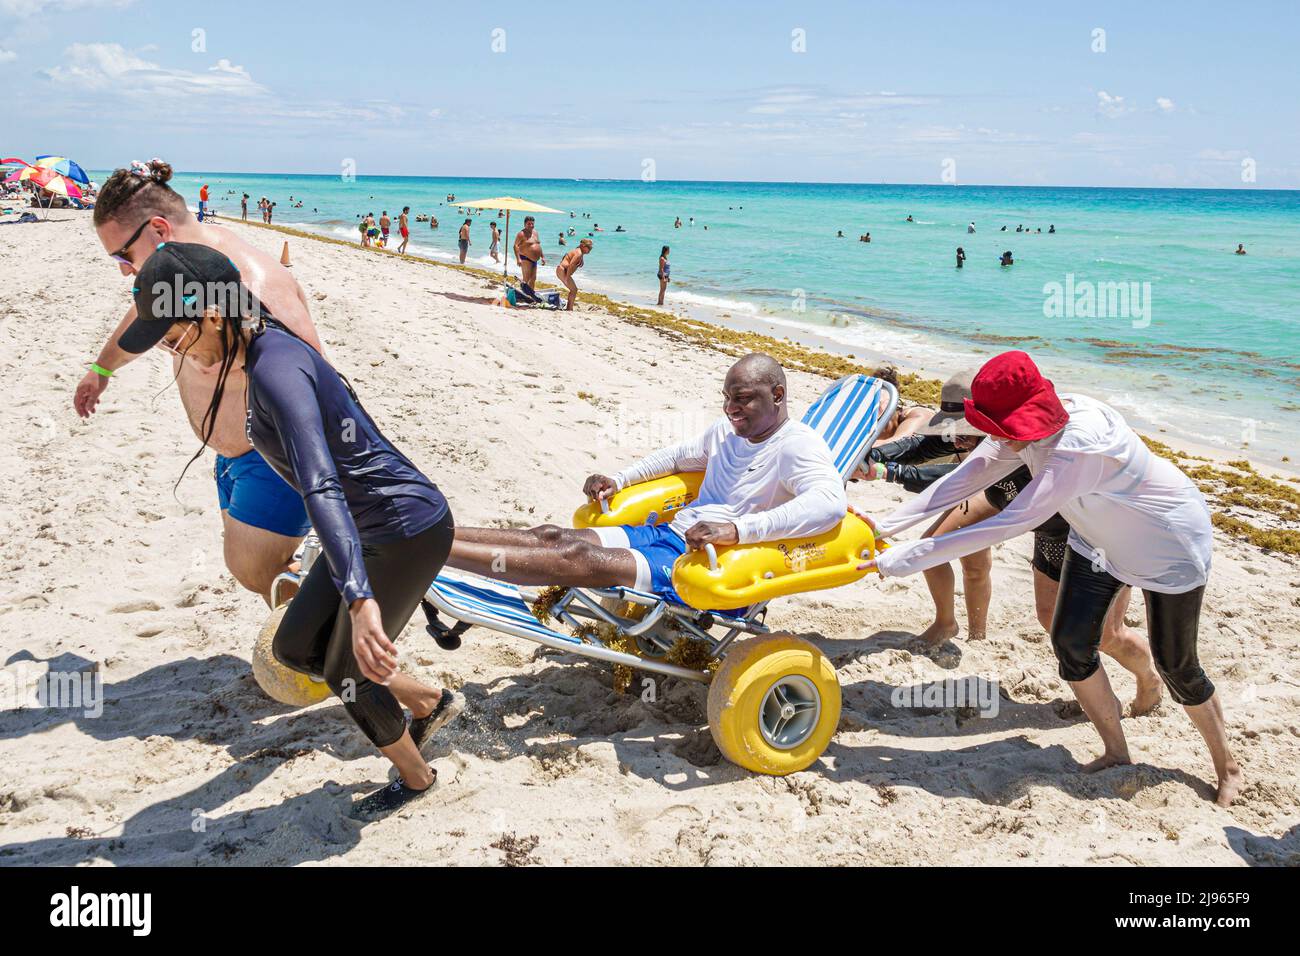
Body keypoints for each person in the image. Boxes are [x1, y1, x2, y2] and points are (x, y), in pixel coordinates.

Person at [123, 242, 464, 817]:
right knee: (294, 647)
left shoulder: (276, 367)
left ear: (209, 313)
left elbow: (321, 486)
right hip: (364, 533)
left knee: (344, 671)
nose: (170, 348)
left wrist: (359, 602)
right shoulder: (255, 349)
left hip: (404, 529)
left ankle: (416, 777)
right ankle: (431, 702)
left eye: (173, 335)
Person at [862, 351, 1240, 805]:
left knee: (1178, 665)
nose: (985, 435)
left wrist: (900, 560)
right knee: (1071, 642)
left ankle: (1227, 767)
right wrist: (885, 527)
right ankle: (1117, 752)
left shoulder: (1077, 448)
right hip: (1096, 539)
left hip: (1167, 545)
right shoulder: (1023, 426)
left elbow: (1007, 523)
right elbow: (965, 477)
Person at [76, 159, 323, 604]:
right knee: (259, 571)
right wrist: (102, 368)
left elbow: (311, 374)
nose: (122, 269)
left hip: (274, 459)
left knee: (259, 569)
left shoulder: (250, 285)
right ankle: (306, 651)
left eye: (122, 255)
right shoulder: (180, 275)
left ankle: (330, 657)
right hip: (233, 454)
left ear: (158, 229)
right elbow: (144, 313)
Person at [445, 355, 847, 603]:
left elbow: (829, 504)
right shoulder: (725, 432)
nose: (729, 409)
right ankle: (437, 534)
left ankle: (434, 553)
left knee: (575, 558)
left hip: (703, 562)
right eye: (726, 398)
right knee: (552, 536)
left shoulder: (797, 445)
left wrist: (737, 529)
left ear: (777, 395)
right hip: (671, 533)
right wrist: (619, 480)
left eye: (742, 399)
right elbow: (674, 457)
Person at [555, 238, 592, 311]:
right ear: (583, 246)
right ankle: (569, 309)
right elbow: (571, 265)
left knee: (573, 290)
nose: (590, 249)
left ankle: (569, 308)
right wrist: (567, 277)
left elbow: (575, 254)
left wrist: (582, 259)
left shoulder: (579, 251)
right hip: (563, 270)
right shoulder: (579, 253)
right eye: (589, 247)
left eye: (591, 247)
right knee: (574, 290)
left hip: (561, 270)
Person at [513, 215, 544, 287]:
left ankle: (530, 295)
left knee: (533, 278)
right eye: (529, 224)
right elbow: (515, 246)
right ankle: (523, 294)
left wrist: (542, 257)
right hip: (525, 258)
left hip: (535, 260)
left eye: (532, 223)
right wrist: (518, 259)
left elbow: (538, 244)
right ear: (524, 224)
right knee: (526, 279)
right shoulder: (521, 234)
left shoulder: (535, 232)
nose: (531, 225)